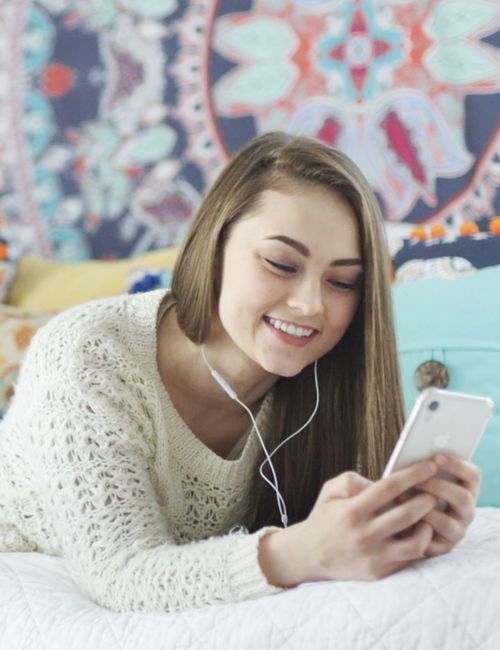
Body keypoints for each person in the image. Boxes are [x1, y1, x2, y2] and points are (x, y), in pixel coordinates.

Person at [0, 131, 480, 613]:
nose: (311, 305)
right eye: (280, 263)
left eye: (342, 281)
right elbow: (123, 574)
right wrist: (303, 551)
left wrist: (406, 527)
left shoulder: (325, 386)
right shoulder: (89, 356)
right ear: (214, 248)